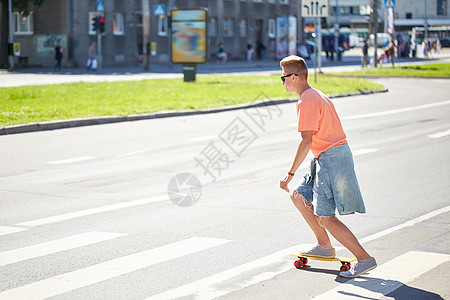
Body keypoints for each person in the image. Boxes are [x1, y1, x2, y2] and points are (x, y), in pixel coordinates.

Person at [278, 55, 377, 278]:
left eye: (283, 77)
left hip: (331, 158)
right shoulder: (315, 95)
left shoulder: (307, 100)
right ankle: (324, 246)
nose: (282, 82)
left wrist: (289, 173)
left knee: (325, 217)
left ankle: (364, 259)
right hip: (324, 158)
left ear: (295, 77)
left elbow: (306, 141)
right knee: (298, 196)